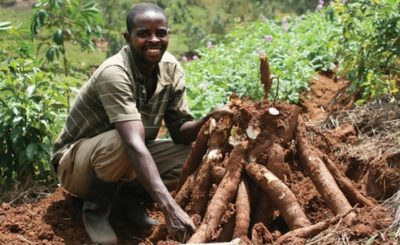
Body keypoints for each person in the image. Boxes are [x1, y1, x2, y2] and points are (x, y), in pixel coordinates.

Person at [51, 2, 231, 244]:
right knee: (121, 141)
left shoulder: (170, 67)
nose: (154, 40)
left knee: (194, 155)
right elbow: (133, 143)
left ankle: (128, 202)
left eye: (161, 33)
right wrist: (170, 208)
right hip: (76, 165)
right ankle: (95, 210)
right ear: (128, 37)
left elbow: (179, 132)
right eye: (144, 34)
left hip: (126, 156)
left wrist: (207, 119)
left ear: (169, 34)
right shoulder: (114, 73)